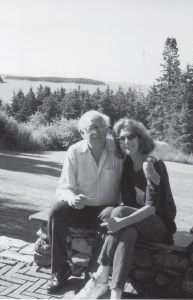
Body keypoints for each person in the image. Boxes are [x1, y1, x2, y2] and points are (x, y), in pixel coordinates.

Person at [46, 111, 165, 294]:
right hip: (79, 207)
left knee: (110, 216)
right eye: (92, 128)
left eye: (103, 127)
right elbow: (63, 188)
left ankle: (93, 278)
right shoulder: (74, 152)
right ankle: (59, 271)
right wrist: (72, 198)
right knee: (56, 211)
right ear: (82, 132)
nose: (98, 132)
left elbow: (153, 145)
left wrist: (150, 160)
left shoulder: (118, 148)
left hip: (106, 208)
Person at [74, 118, 177, 300]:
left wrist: (120, 220)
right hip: (136, 223)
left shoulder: (154, 166)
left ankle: (100, 274)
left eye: (131, 137)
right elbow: (128, 204)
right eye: (122, 139)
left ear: (141, 138)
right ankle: (116, 293)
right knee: (127, 232)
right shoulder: (127, 164)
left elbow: (151, 209)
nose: (126, 142)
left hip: (158, 225)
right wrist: (122, 222)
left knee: (120, 213)